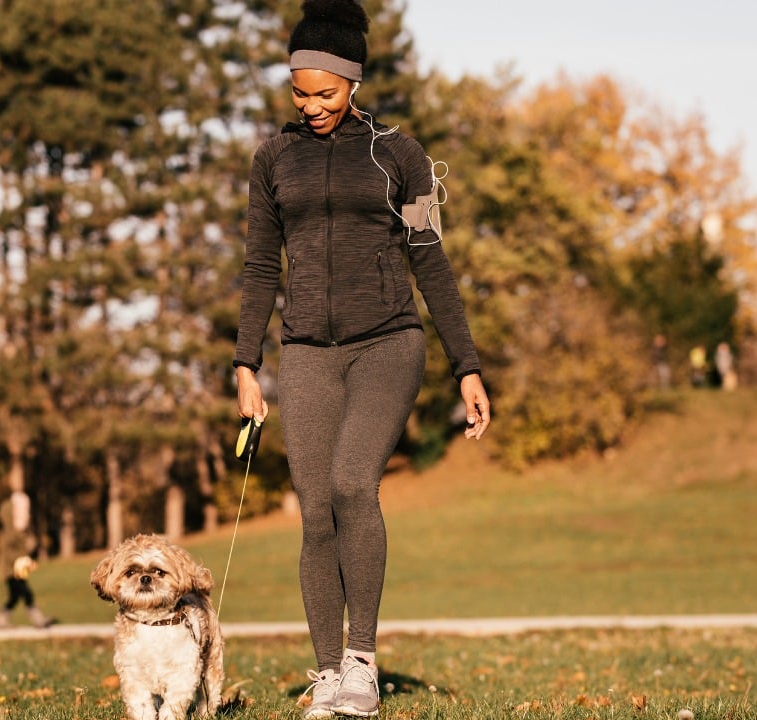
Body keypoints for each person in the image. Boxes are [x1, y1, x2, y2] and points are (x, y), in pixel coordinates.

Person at [233, 1, 491, 717]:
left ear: (353, 82)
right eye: (298, 91)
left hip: (388, 342)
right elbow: (260, 266)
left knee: (352, 483)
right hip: (307, 351)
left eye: (325, 92)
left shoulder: (400, 155)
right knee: (316, 512)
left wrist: (467, 364)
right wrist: (244, 363)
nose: (311, 105)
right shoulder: (272, 159)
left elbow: (431, 262)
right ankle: (326, 674)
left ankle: (362, 662)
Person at [0, 491, 54, 629]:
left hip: (17, 571)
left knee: (15, 597)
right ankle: (37, 620)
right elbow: (7, 553)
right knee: (26, 594)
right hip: (10, 572)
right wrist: (21, 560)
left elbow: (21, 551)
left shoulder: (19, 533)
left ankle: (2, 620)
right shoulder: (9, 534)